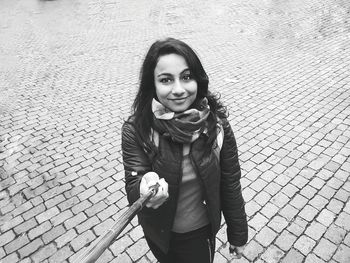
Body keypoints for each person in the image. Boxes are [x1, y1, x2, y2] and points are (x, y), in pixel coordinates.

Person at [122, 37, 248, 263]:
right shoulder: (137, 129)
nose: (178, 89)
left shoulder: (216, 124)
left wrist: (238, 234)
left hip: (198, 236)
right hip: (158, 234)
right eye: (166, 80)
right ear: (153, 84)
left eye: (187, 77)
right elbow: (133, 186)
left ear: (198, 79)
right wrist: (143, 188)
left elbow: (230, 182)